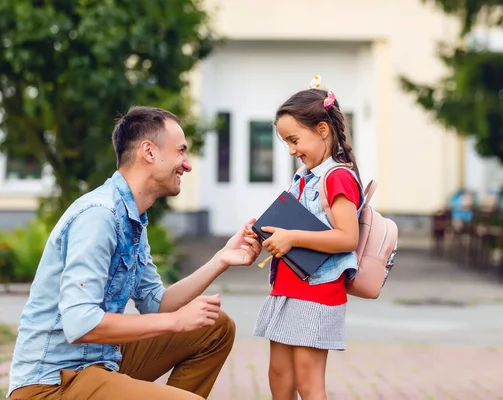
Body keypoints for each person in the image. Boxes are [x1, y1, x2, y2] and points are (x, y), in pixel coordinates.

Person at [7, 106, 262, 400]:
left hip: (98, 363)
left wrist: (221, 260)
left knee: (215, 328)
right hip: (52, 384)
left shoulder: (132, 218)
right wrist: (176, 322)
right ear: (149, 152)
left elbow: (157, 304)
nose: (187, 164)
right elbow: (81, 323)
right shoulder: (99, 216)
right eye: (180, 151)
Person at [251, 76, 364, 400]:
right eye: (285, 142)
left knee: (308, 383)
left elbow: (346, 238)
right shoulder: (305, 177)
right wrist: (265, 232)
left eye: (294, 139)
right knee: (279, 377)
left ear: (322, 130)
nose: (290, 150)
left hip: (316, 292)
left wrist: (291, 238)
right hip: (289, 287)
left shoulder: (338, 176)